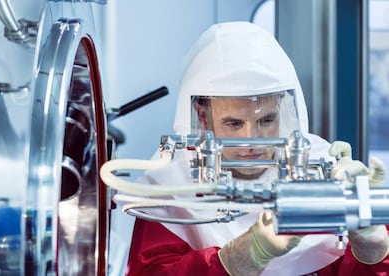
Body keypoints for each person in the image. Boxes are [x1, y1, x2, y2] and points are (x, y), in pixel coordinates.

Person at [125, 21, 389, 275]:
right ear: (202, 116)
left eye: (266, 120)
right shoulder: (170, 187)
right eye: (234, 123)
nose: (251, 139)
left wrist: (374, 249)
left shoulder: (321, 168)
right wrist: (241, 256)